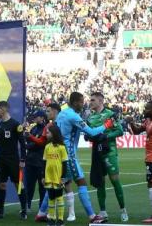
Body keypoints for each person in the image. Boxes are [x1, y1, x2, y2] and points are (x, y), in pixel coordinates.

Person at [37, 92, 114, 224]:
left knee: (56, 184)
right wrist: (106, 125)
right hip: (69, 155)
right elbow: (92, 132)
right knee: (81, 182)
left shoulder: (62, 113)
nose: (83, 104)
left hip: (59, 153)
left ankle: (41, 213)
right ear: (75, 102)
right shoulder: (73, 116)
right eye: (81, 102)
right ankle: (92, 216)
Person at [87, 92, 126, 222]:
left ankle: (123, 209)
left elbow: (120, 131)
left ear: (100, 101)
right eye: (90, 100)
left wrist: (106, 136)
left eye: (93, 100)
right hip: (97, 153)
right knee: (100, 182)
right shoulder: (90, 117)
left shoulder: (110, 114)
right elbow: (89, 133)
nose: (90, 102)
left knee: (115, 181)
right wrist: (88, 136)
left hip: (110, 152)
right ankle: (103, 211)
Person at [128, 100, 152, 223]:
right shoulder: (148, 121)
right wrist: (131, 122)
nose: (144, 110)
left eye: (147, 108)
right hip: (151, 158)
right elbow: (136, 131)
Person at [0, 100, 27, 219]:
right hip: (1, 159)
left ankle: (24, 211)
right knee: (1, 184)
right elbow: (0, 144)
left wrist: (22, 159)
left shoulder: (15, 124)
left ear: (4, 109)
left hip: (13, 159)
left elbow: (22, 143)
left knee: (18, 184)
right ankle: (0, 211)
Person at [43, 124, 68, 226]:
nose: (46, 134)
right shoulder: (47, 147)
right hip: (48, 177)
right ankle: (52, 218)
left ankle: (60, 219)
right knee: (51, 197)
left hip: (58, 177)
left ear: (54, 133)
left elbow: (65, 163)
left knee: (59, 197)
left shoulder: (62, 147)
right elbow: (44, 162)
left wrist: (63, 177)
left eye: (48, 132)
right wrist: (43, 176)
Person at [23, 110, 47, 214]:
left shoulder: (45, 129)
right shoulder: (33, 128)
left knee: (42, 187)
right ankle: (27, 205)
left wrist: (28, 145)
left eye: (36, 116)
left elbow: (39, 144)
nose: (35, 118)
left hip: (41, 162)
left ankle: (42, 208)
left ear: (42, 117)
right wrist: (29, 142)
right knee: (29, 186)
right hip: (30, 162)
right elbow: (28, 141)